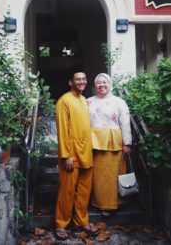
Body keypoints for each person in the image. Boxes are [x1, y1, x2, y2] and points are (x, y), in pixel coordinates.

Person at [55, 67, 98, 240]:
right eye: (78, 79)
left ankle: (82, 221)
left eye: (84, 79)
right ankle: (61, 223)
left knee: (84, 190)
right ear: (70, 82)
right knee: (67, 191)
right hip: (71, 153)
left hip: (86, 151)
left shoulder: (84, 99)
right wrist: (66, 155)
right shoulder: (64, 101)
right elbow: (63, 130)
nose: (82, 82)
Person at [87, 73, 132, 216]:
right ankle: (97, 202)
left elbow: (125, 123)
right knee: (97, 175)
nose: (102, 85)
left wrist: (127, 142)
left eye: (105, 82)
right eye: (99, 83)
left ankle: (111, 204)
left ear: (110, 84)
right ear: (95, 85)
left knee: (111, 174)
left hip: (113, 141)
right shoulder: (88, 101)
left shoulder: (119, 102)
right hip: (93, 141)